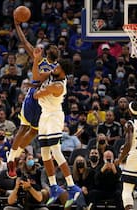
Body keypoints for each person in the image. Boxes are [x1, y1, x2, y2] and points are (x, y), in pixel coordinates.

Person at [6, 15, 58, 179]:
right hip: (33, 99)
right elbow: (25, 42)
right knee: (23, 128)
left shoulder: (59, 68)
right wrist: (18, 26)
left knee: (33, 131)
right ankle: (10, 160)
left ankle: (15, 155)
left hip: (45, 103)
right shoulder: (39, 58)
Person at [32, 47, 81, 208]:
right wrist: (35, 59)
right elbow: (36, 77)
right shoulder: (53, 76)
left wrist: (40, 89)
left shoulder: (59, 85)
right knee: (45, 152)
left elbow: (36, 94)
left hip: (54, 116)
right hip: (44, 116)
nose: (55, 67)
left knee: (56, 151)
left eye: (58, 67)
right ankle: (53, 186)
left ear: (63, 72)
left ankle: (72, 186)